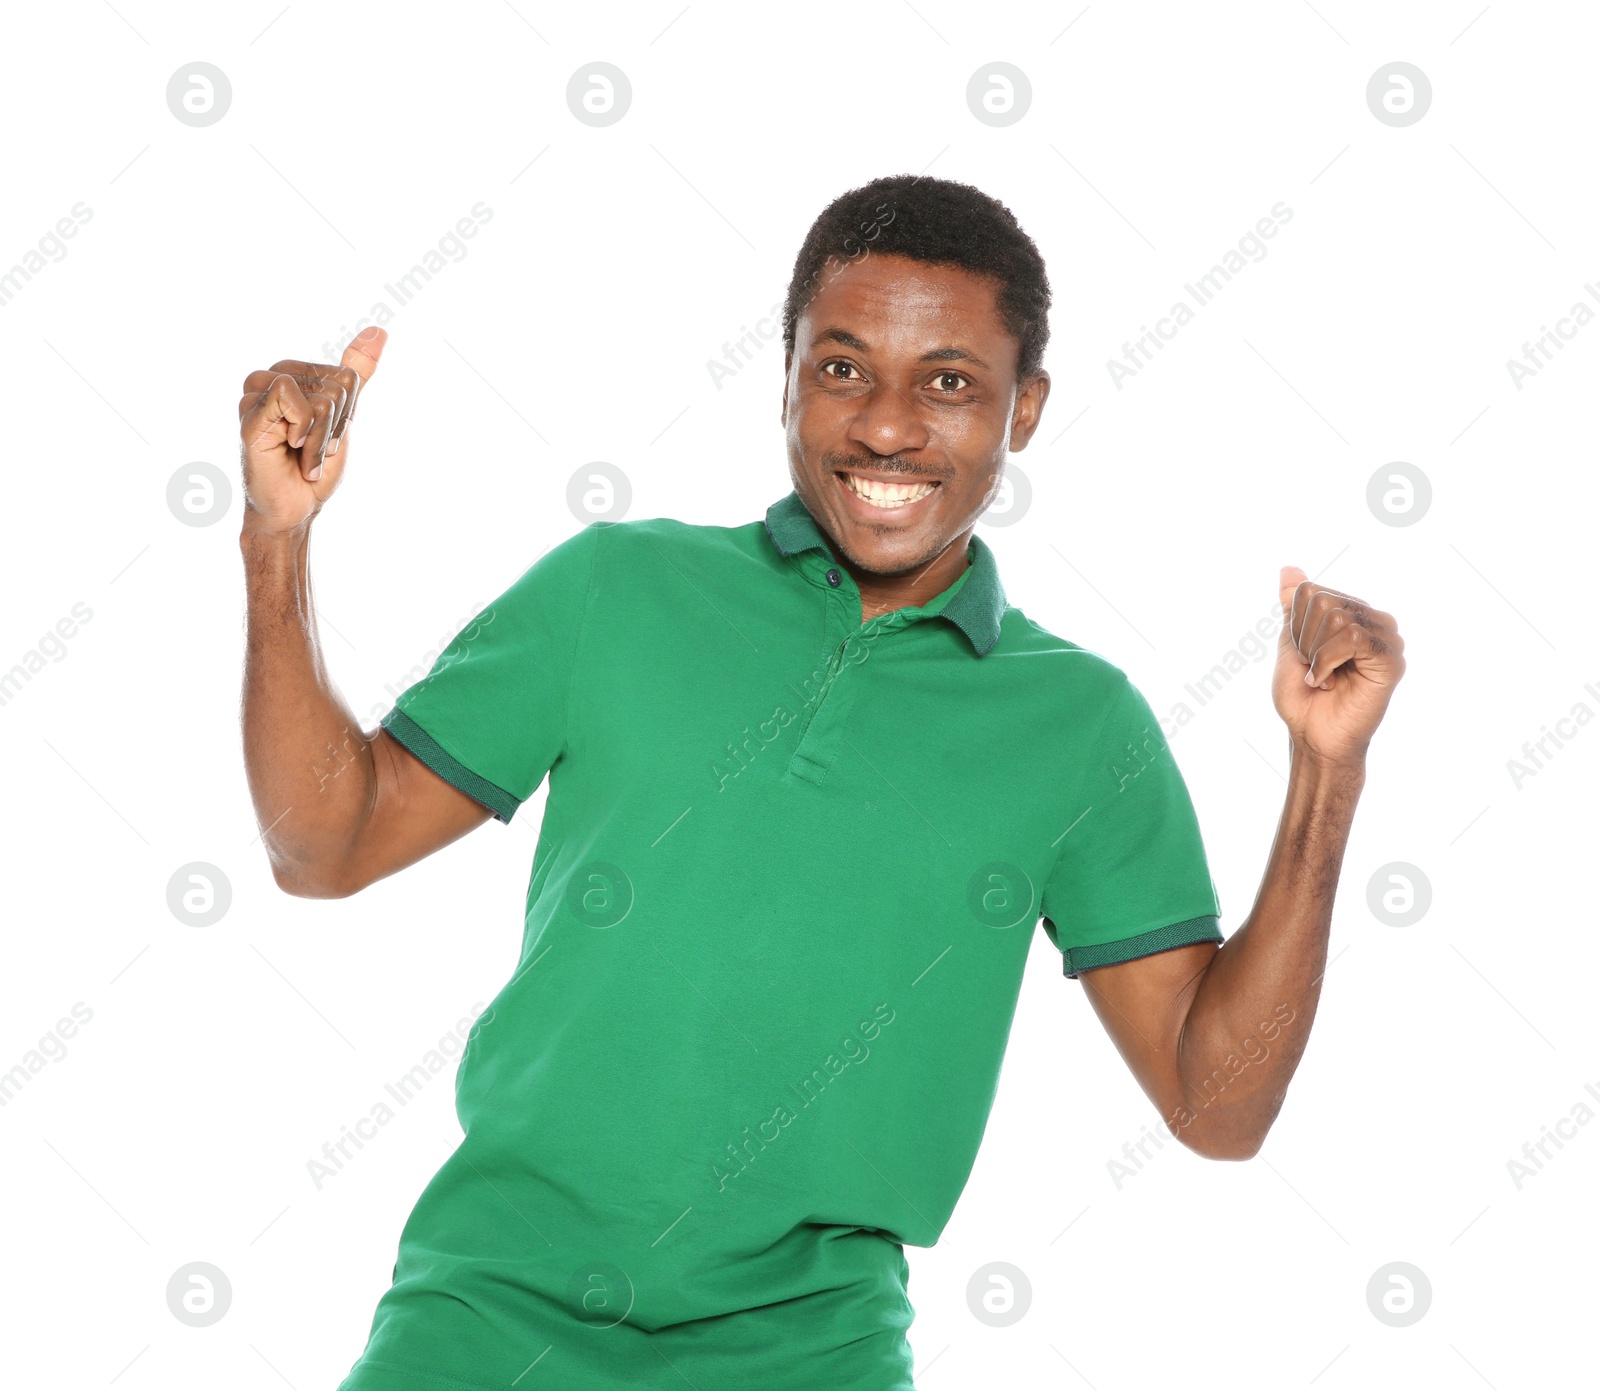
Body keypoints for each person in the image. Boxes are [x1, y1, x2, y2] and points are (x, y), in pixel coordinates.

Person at [238, 174, 1406, 1391]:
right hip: (483, 1319)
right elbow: (322, 843)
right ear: (786, 372)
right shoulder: (615, 589)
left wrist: (1327, 770)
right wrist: (278, 537)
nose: (887, 427)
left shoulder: (1078, 724)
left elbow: (1218, 1108)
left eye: (949, 382)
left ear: (1026, 409)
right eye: (843, 368)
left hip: (812, 1352)